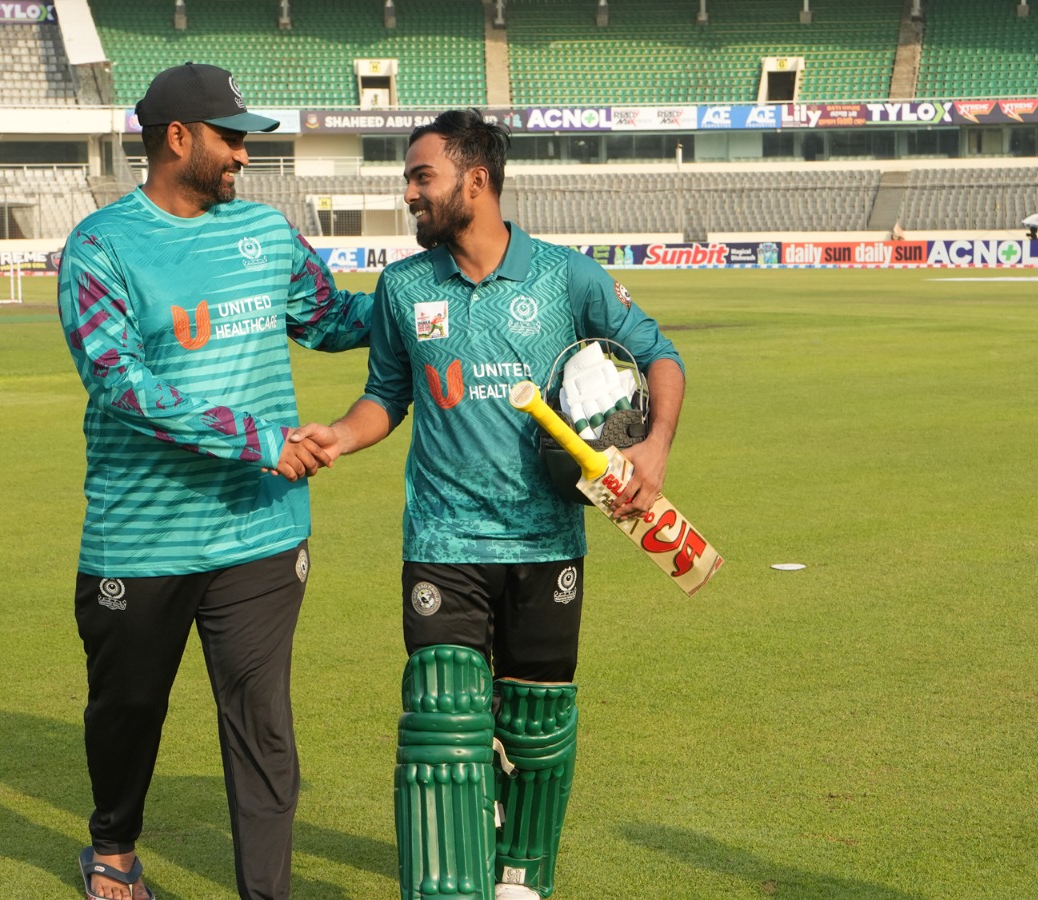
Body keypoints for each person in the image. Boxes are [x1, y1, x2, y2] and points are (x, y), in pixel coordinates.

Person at [292, 109, 685, 900]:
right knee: (444, 724)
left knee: (535, 730)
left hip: (547, 542)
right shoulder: (404, 288)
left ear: (476, 180)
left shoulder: (566, 277)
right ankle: (448, 885)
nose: (409, 192)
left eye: (421, 176)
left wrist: (655, 446)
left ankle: (521, 876)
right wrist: (337, 433)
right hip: (444, 540)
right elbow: (386, 395)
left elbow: (659, 356)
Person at [56, 62, 371, 900]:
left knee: (262, 726)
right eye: (231, 138)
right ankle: (114, 848)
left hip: (261, 533)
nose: (242, 154)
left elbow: (333, 318)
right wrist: (258, 440)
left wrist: (434, 295)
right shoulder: (102, 246)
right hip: (143, 534)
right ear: (177, 139)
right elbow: (120, 384)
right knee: (126, 715)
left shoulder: (267, 235)